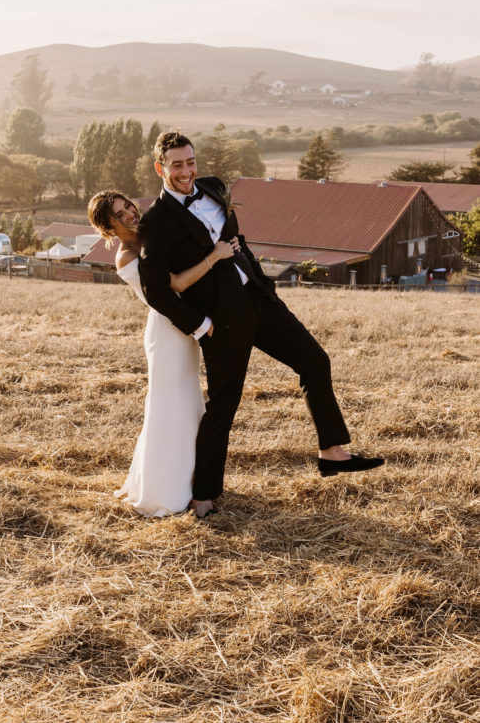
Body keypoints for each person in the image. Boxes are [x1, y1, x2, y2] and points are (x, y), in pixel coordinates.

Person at [139, 131, 384, 518]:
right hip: (222, 323)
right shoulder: (156, 222)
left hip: (260, 301)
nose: (187, 171)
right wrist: (202, 326)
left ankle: (332, 452)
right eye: (177, 165)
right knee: (224, 407)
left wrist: (256, 274)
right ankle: (203, 498)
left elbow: (234, 236)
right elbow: (156, 291)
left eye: (190, 161)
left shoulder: (213, 188)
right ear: (160, 168)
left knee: (315, 362)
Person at [88, 190, 240, 516]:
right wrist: (214, 257)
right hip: (168, 333)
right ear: (109, 226)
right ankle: (164, 492)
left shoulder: (152, 231)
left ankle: (193, 484)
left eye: (128, 204)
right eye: (120, 213)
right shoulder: (127, 257)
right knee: (170, 410)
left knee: (189, 406)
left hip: (187, 331)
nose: (130, 212)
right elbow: (172, 285)